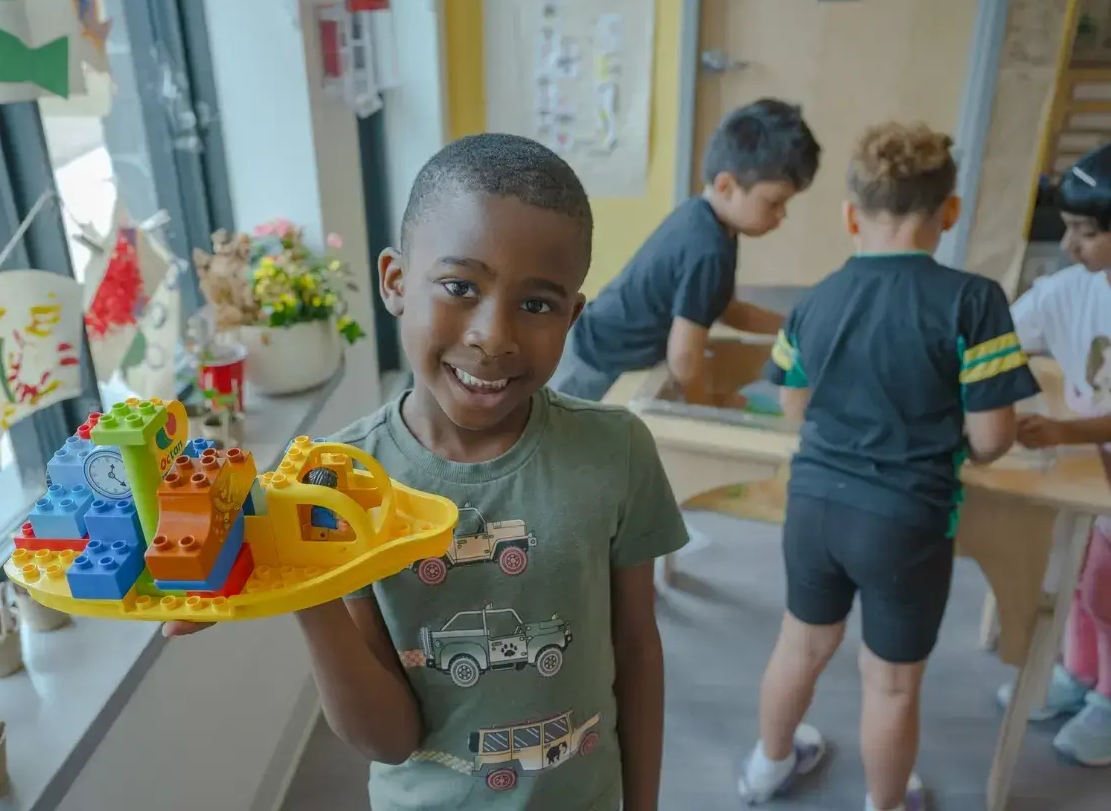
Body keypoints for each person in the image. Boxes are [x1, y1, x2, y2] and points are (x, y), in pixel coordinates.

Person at [166, 133, 689, 810]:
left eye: (537, 304)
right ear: (394, 283)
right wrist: (301, 584)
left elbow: (637, 649)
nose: (492, 335)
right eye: (460, 287)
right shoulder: (333, 487)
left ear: (572, 316)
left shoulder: (616, 452)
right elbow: (388, 739)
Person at [740, 122, 1040, 810]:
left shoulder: (812, 301)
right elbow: (992, 437)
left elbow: (794, 406)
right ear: (950, 212)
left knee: (799, 646)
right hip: (905, 521)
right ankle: (885, 804)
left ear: (851, 214)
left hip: (813, 505)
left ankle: (767, 767)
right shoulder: (974, 300)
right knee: (892, 684)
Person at [548, 98, 821, 401]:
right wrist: (706, 407)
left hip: (590, 343)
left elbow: (729, 311)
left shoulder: (705, 220)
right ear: (726, 186)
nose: (782, 214)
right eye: (774, 202)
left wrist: (791, 327)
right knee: (564, 438)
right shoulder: (708, 249)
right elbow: (684, 359)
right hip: (593, 364)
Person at [993, 143, 1111, 767]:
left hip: (1093, 462)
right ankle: (1076, 674)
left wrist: (1065, 434)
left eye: (1085, 234)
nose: (1068, 246)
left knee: (1104, 589)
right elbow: (997, 339)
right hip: (1091, 475)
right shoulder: (1071, 290)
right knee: (1075, 572)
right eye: (1066, 229)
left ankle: (1110, 699)